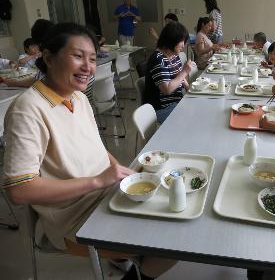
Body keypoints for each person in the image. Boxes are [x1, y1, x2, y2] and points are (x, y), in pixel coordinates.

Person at [2, 22, 174, 280]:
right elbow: (18, 190)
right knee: (174, 241)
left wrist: (120, 172)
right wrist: (96, 181)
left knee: (177, 212)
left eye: (92, 58)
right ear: (48, 57)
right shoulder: (28, 110)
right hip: (73, 219)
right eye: (78, 56)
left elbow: (97, 149)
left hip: (106, 195)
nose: (88, 67)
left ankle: (129, 261)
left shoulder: (79, 98)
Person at [144, 22, 193, 124]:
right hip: (160, 109)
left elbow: (180, 79)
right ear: (172, 40)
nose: (183, 45)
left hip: (176, 102)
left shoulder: (174, 56)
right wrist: (184, 71)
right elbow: (167, 89)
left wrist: (190, 90)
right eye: (182, 41)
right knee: (194, 115)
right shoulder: (158, 59)